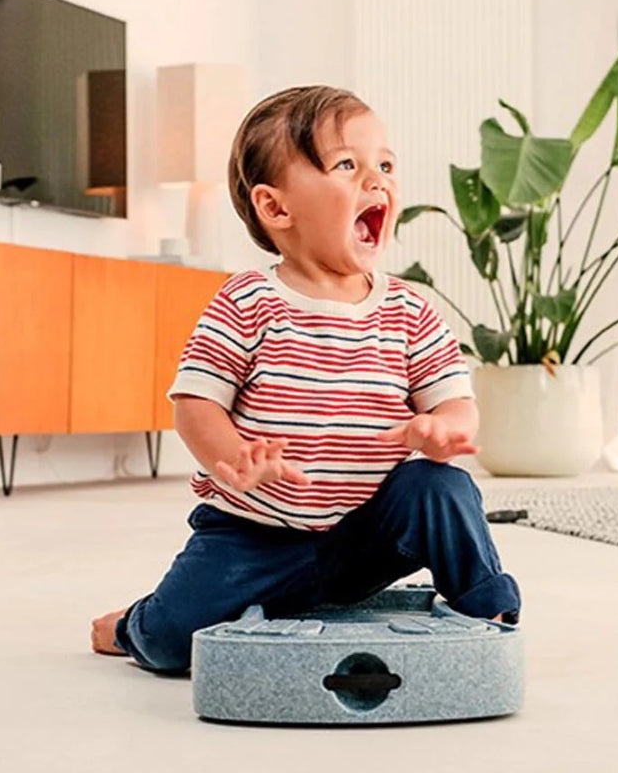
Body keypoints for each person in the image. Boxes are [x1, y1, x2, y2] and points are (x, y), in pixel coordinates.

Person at [91, 85, 520, 671]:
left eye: (385, 165)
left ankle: (485, 609)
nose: (377, 180)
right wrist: (236, 458)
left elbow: (454, 401)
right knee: (172, 645)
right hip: (254, 537)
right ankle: (136, 623)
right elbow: (195, 403)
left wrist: (443, 429)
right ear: (276, 208)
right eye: (348, 165)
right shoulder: (248, 300)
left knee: (440, 487)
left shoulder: (411, 309)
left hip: (368, 531)